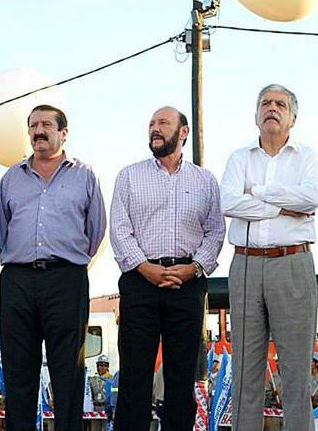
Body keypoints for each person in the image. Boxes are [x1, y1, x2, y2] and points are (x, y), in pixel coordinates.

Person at [0, 104, 107, 431]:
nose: (38, 131)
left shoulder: (84, 175)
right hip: (18, 281)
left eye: (46, 125)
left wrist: (67, 262)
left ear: (63, 133)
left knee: (68, 372)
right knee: (18, 372)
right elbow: (0, 233)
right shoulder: (12, 178)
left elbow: (95, 231)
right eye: (33, 126)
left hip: (66, 280)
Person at [110, 106, 225, 431]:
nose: (154, 129)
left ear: (183, 132)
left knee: (181, 376)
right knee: (135, 376)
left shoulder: (204, 181)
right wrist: (145, 268)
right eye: (151, 124)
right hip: (139, 282)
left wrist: (195, 267)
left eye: (163, 123)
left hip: (187, 285)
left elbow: (216, 230)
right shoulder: (129, 176)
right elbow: (119, 229)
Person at [220, 84, 318, 431]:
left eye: (280, 104)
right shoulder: (239, 158)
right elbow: (229, 203)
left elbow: (309, 200)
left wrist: (259, 194)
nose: (272, 108)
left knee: (295, 371)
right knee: (246, 370)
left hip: (292, 264)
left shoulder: (307, 157)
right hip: (246, 264)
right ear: (255, 114)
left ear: (293, 117)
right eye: (265, 103)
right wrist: (283, 206)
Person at [88, 355, 115, 431]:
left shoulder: (112, 379)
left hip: (107, 408)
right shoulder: (92, 380)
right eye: (101, 365)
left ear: (108, 367)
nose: (103, 367)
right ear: (97, 366)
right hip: (96, 408)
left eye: (105, 365)